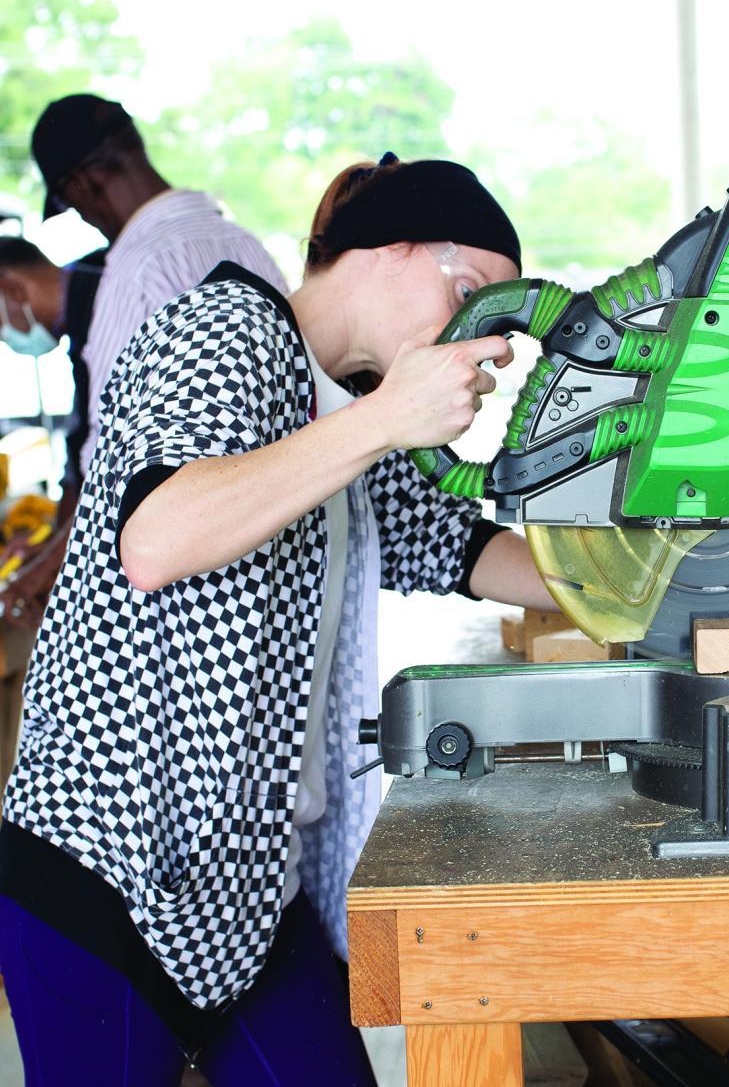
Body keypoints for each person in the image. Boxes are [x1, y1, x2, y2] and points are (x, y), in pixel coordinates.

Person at [0, 153, 555, 1085]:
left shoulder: (338, 409)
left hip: (244, 886)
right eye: (466, 294)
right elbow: (157, 534)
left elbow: (460, 549)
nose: (472, 339)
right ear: (392, 248)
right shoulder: (228, 329)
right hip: (105, 876)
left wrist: (648, 574)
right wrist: (387, 419)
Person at [31, 93, 289, 479]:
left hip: (193, 518)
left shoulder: (134, 272)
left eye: (72, 207)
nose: (85, 219)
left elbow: (109, 448)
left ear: (81, 186)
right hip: (284, 497)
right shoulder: (244, 243)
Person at [0, 236, 106, 627]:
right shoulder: (79, 339)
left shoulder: (108, 305)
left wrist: (46, 569)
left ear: (10, 288)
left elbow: (110, 468)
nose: (6, 341)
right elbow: (81, 464)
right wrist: (48, 551)